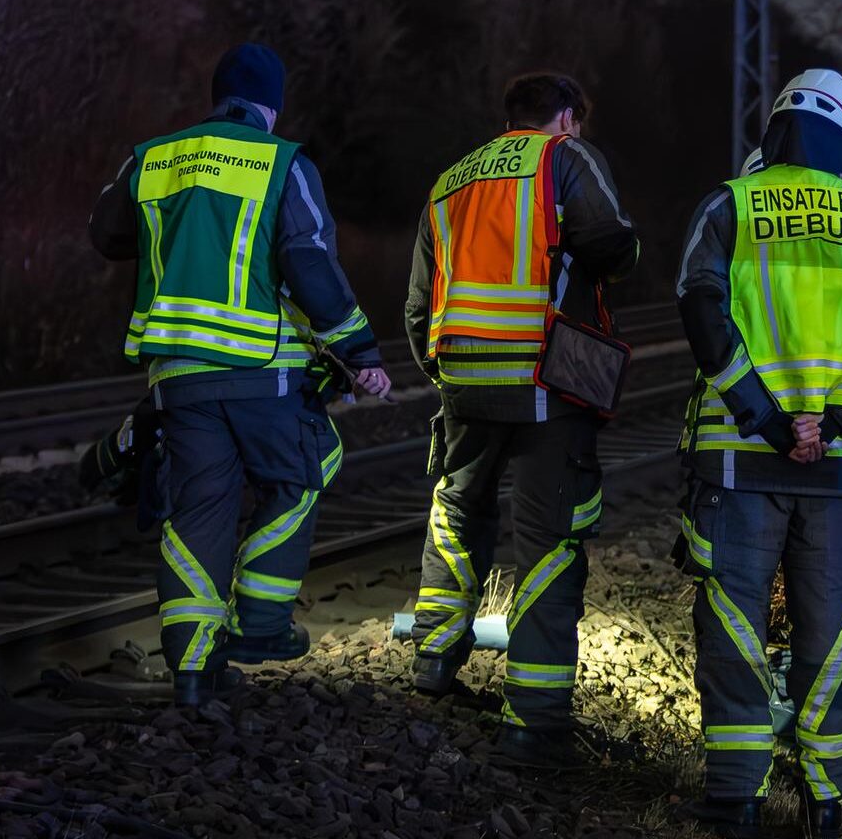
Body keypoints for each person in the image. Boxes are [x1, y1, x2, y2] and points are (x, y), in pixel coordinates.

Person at [671, 70, 842, 838]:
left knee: (734, 623)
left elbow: (700, 304)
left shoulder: (732, 203)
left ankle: (736, 797)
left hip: (739, 459)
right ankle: (828, 798)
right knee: (832, 631)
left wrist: (764, 414)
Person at [89, 43, 391, 706]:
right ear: (271, 105)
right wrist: (361, 353)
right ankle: (259, 625)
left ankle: (195, 670)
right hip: (263, 374)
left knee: (196, 513)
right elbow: (308, 262)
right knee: (303, 473)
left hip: (178, 378)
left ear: (216, 97)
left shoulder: (151, 158)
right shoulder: (283, 163)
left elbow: (107, 233)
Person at [401, 72, 639, 766]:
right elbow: (613, 246)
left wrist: (446, 373)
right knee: (547, 542)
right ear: (565, 117)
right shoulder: (564, 158)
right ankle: (533, 721)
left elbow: (420, 305)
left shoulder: (451, 179)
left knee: (456, 510)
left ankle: (433, 664)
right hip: (543, 377)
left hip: (464, 378)